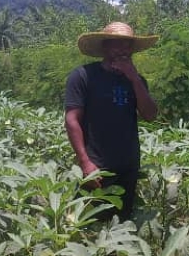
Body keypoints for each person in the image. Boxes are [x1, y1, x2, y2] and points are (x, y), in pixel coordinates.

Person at [64, 21, 159, 222]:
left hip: (128, 165)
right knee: (91, 224)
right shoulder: (83, 76)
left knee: (122, 223)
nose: (123, 50)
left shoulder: (137, 80)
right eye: (117, 44)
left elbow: (150, 114)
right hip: (96, 167)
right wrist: (85, 163)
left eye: (127, 45)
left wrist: (133, 78)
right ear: (104, 46)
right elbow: (72, 121)